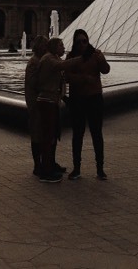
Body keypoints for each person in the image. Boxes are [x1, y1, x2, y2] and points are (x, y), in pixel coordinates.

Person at [65, 29, 110, 181]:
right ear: (75, 43)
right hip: (77, 99)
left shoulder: (95, 55)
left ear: (88, 40)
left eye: (84, 41)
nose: (82, 44)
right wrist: (83, 78)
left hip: (94, 98)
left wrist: (102, 59)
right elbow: (66, 77)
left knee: (97, 134)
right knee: (77, 135)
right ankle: (76, 168)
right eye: (79, 41)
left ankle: (100, 169)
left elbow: (106, 70)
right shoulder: (70, 57)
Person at [35, 37, 81, 183]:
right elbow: (62, 66)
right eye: (61, 45)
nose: (63, 47)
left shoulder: (51, 57)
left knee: (52, 136)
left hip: (51, 100)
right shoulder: (49, 59)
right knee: (48, 137)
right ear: (54, 46)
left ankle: (48, 166)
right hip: (47, 101)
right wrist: (81, 58)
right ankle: (46, 172)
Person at [24, 35, 67, 177]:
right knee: (38, 135)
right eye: (44, 45)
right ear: (38, 47)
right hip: (38, 104)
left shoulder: (45, 60)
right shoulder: (34, 62)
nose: (46, 47)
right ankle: (38, 165)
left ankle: (50, 162)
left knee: (51, 133)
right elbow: (34, 83)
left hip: (48, 101)